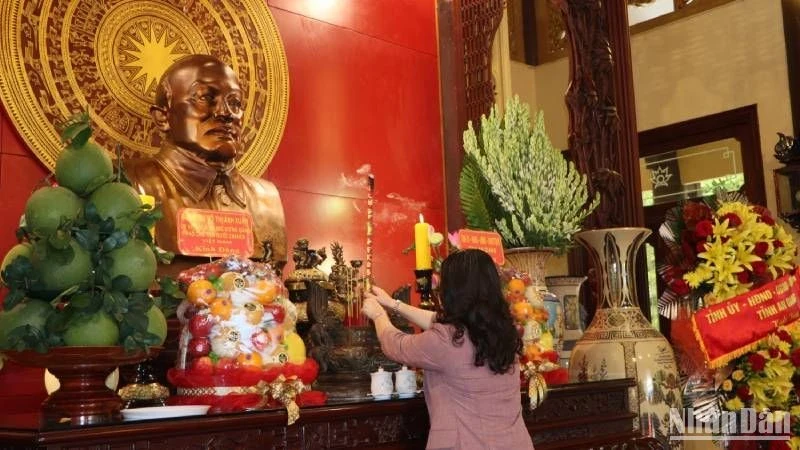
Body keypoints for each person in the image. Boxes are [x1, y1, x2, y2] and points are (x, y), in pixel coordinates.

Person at [362, 249, 534, 450]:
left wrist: (378, 316)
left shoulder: (447, 339)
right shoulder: (503, 331)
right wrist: (393, 305)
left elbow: (396, 345)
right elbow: (438, 321)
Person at [125, 54, 287, 267]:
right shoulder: (129, 182)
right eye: (204, 98)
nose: (225, 113)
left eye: (235, 103)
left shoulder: (265, 197)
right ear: (162, 118)